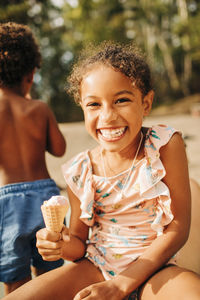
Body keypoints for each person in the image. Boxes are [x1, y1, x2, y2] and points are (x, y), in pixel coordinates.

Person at [2, 41, 200, 300]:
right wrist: (60, 244)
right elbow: (78, 246)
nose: (107, 116)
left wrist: (121, 285)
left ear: (146, 103)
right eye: (94, 105)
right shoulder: (79, 170)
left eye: (121, 100)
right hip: (97, 268)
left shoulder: (164, 145)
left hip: (156, 271)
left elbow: (178, 227)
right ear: (82, 107)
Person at [0, 22, 66, 295]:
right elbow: (59, 148)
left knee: (15, 276)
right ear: (31, 73)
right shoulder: (39, 108)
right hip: (45, 196)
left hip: (7, 202)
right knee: (51, 267)